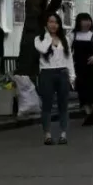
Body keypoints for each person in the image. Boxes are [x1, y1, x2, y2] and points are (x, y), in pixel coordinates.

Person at [34, 12, 76, 145]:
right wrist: (48, 36)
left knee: (63, 105)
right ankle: (47, 134)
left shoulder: (65, 39)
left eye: (56, 22)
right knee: (47, 105)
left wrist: (72, 76)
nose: (53, 25)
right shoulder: (39, 39)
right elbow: (42, 49)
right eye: (50, 22)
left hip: (62, 73)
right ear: (46, 24)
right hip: (47, 73)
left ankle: (63, 133)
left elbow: (69, 58)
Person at [71, 13, 93, 126]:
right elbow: (67, 50)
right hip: (78, 67)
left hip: (91, 67)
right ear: (79, 22)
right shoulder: (72, 35)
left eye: (89, 20)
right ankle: (89, 113)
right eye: (84, 20)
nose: (87, 23)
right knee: (82, 91)